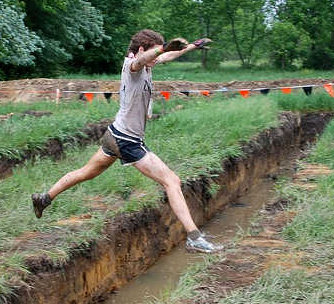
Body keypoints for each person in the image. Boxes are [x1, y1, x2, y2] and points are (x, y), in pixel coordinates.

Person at [32, 29, 222, 253]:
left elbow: (165, 56)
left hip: (115, 134)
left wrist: (193, 45)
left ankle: (45, 197)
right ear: (141, 50)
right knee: (172, 181)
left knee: (86, 172)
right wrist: (161, 48)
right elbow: (143, 60)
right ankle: (194, 237)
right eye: (153, 52)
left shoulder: (149, 62)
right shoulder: (132, 66)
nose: (156, 58)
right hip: (127, 140)